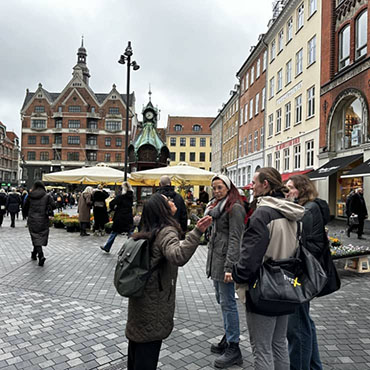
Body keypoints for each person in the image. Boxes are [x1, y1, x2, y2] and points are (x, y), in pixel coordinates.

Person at [125, 193, 212, 370]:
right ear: (162, 209)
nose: (172, 201)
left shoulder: (148, 229)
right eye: (168, 201)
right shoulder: (166, 231)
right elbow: (177, 256)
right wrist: (197, 233)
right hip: (154, 302)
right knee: (147, 355)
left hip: (140, 298)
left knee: (136, 350)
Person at [232, 167, 305, 370]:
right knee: (279, 343)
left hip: (262, 289)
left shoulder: (262, 215)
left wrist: (237, 274)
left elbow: (249, 259)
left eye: (255, 182)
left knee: (262, 349)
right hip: (287, 285)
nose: (252, 187)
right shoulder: (292, 213)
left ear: (265, 184)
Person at [285, 174, 330, 370]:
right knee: (304, 322)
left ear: (301, 190)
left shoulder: (308, 211)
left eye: (290, 188)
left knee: (297, 327)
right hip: (303, 273)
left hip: (300, 275)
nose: (287, 192)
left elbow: (309, 245)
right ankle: (314, 365)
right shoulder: (308, 208)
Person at [205, 174, 246, 368]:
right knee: (222, 301)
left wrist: (230, 267)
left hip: (225, 264)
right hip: (216, 261)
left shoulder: (234, 207)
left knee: (228, 303)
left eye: (220, 187)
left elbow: (235, 239)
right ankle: (228, 336)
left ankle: (234, 347)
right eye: (214, 188)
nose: (216, 191)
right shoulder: (216, 207)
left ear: (228, 188)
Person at [23, 181, 56, 266]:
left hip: (32, 219)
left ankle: (40, 255)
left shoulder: (30, 195)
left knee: (35, 236)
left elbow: (25, 207)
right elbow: (54, 206)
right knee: (39, 236)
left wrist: (25, 215)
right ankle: (36, 254)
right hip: (43, 219)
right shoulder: (47, 196)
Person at [100, 181, 134, 253]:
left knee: (114, 232)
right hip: (128, 216)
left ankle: (107, 247)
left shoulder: (121, 197)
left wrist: (114, 209)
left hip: (120, 216)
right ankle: (131, 248)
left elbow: (111, 203)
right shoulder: (131, 197)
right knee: (130, 232)